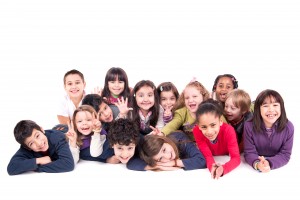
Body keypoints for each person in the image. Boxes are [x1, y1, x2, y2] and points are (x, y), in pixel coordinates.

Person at [243, 89, 294, 173]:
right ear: (258, 109)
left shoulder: (288, 127)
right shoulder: (248, 126)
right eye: (265, 106)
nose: (271, 110)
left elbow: (285, 154)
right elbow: (249, 152)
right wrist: (257, 164)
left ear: (281, 108)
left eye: (275, 105)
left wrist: (269, 163)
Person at [193, 99, 241, 179]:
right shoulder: (196, 131)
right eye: (204, 127)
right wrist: (212, 167)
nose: (209, 131)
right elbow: (208, 156)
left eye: (213, 125)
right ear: (198, 125)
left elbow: (236, 158)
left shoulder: (229, 130)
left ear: (220, 122)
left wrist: (223, 168)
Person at [7, 120, 74, 175]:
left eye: (37, 136)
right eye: (31, 143)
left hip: (64, 131)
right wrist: (38, 160)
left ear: (42, 130)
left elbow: (68, 164)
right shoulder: (26, 149)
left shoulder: (57, 137)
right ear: (27, 147)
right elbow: (11, 168)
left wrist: (37, 167)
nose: (39, 143)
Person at [127, 132, 206, 171]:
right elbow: (130, 163)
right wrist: (156, 166)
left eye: (164, 150)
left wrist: (174, 163)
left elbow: (201, 161)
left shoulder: (179, 138)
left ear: (165, 140)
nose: (167, 156)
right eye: (161, 158)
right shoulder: (150, 155)